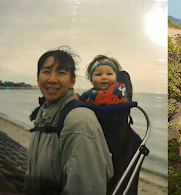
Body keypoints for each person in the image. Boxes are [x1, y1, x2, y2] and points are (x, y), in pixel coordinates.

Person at [25, 46, 114, 195]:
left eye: (61, 73)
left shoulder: (79, 120)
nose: (52, 79)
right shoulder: (43, 114)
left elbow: (86, 189)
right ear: (38, 77)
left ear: (72, 81)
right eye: (46, 72)